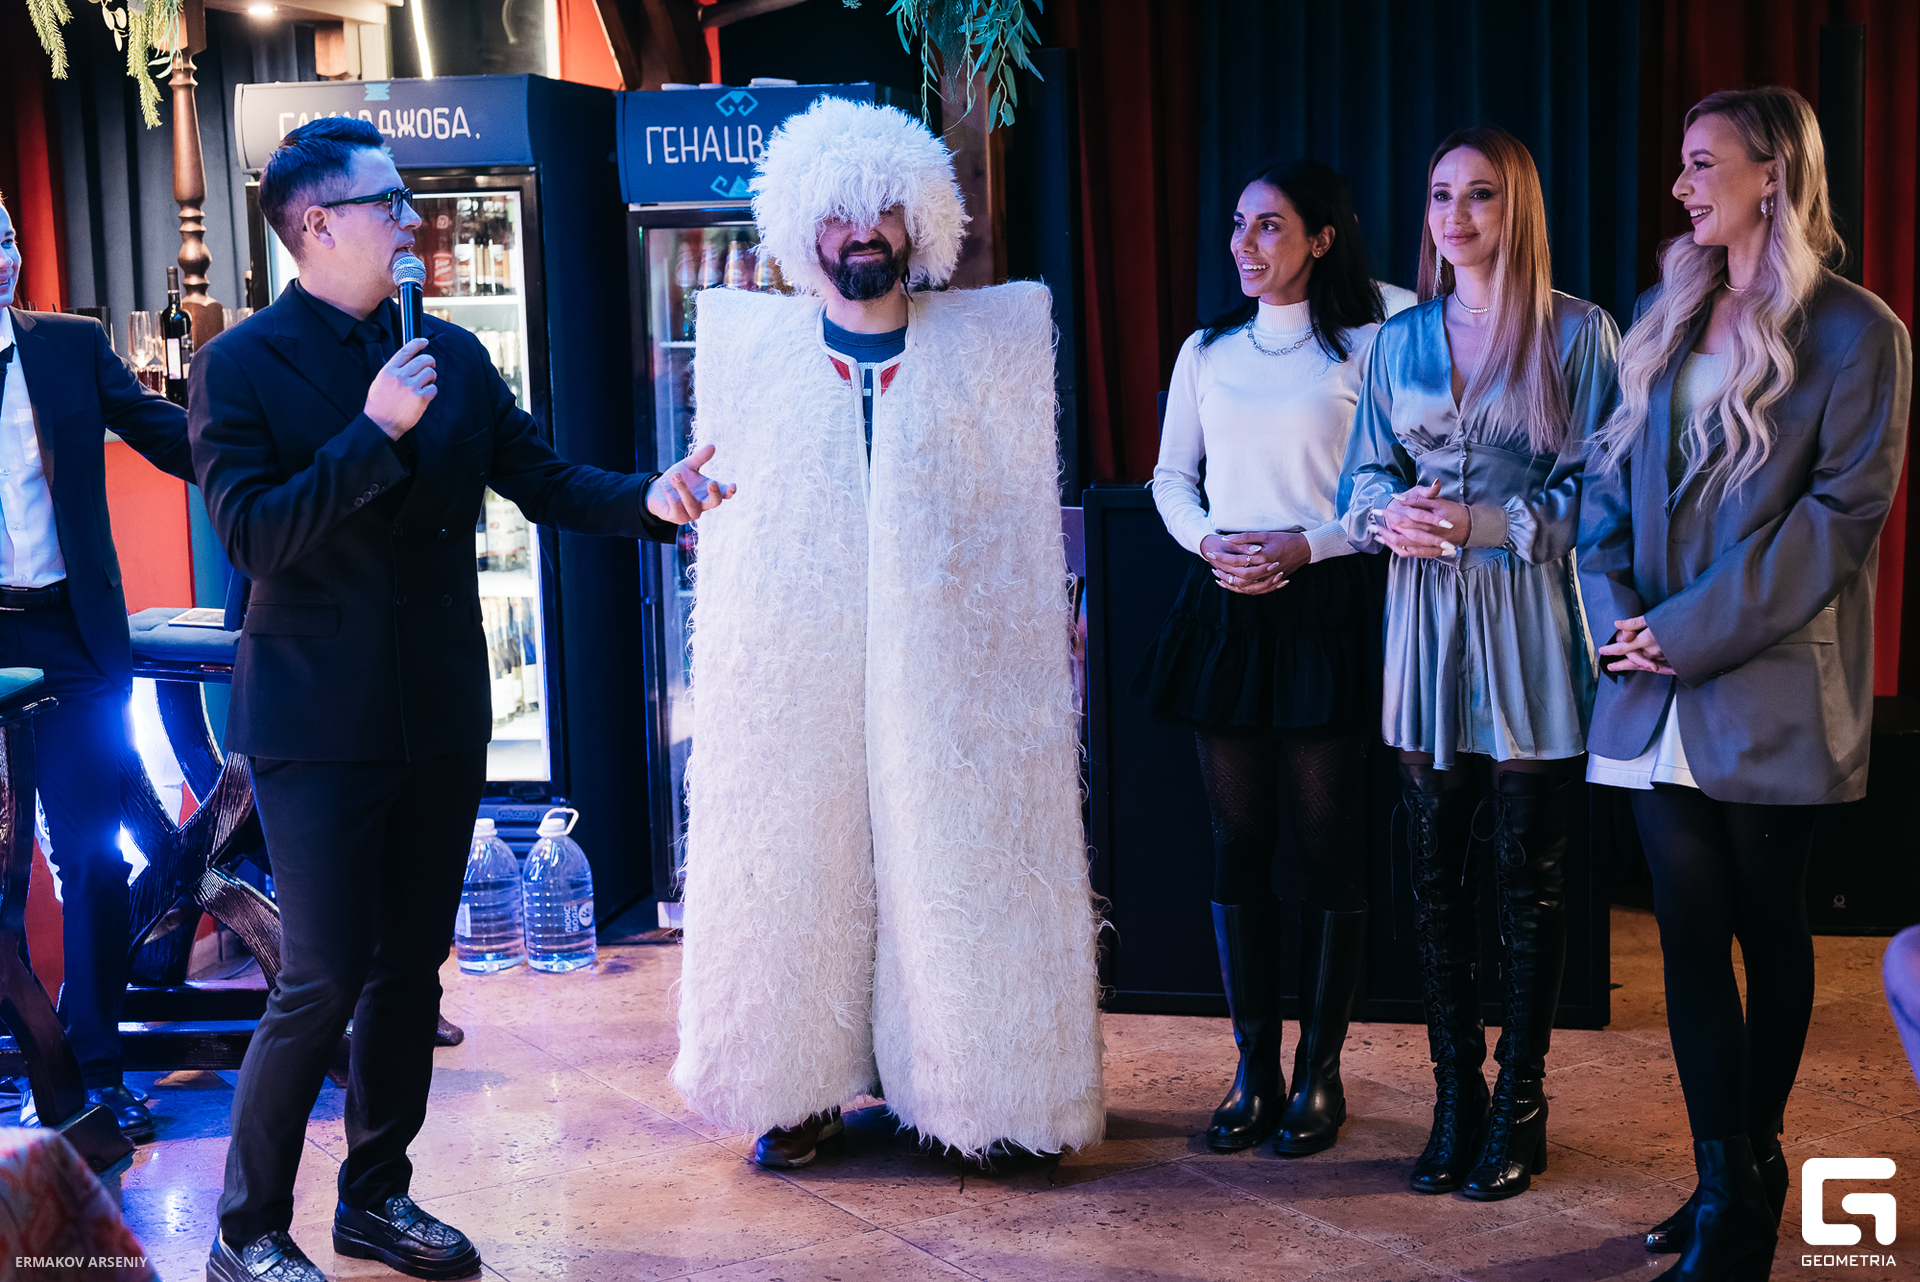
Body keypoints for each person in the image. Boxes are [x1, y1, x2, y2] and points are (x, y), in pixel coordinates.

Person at [190, 117, 692, 1282]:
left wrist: (652, 500)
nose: (412, 222)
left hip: (440, 711)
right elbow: (253, 536)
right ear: (318, 223)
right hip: (316, 721)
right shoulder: (241, 364)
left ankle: (376, 1197)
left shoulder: (451, 353)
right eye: (388, 204)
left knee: (410, 969)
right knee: (320, 972)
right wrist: (370, 432)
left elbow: (543, 477)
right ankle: (247, 1229)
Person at [664, 95, 1104, 1169]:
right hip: (794, 660)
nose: (864, 232)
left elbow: (1011, 520)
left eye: (885, 210)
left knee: (973, 853)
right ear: (799, 225)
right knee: (792, 849)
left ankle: (991, 1087)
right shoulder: (756, 357)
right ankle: (795, 1083)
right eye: (839, 212)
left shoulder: (988, 351)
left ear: (923, 220)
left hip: (960, 665)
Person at [1581, 86, 1910, 1282]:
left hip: (1767, 687)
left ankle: (1747, 1178)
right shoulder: (1662, 313)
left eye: (1701, 162)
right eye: (1680, 165)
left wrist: (1683, 632)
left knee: (1768, 924)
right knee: (1685, 928)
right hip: (1650, 688)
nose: (1681, 187)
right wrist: (1621, 626)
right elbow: (1602, 495)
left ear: (1773, 173)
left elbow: (1840, 521)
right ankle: (1730, 1183)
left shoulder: (1860, 333)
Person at [1339, 126, 1619, 1201]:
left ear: (1520, 208)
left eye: (1481, 195)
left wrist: (1481, 523)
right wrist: (1389, 516)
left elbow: (1604, 493)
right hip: (1423, 618)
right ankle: (1455, 1096)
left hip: (1529, 615)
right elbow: (1360, 479)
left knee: (1528, 879)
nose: (1455, 216)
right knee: (1433, 875)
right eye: (1440, 195)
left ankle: (1521, 1102)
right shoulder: (1398, 339)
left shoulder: (1579, 333)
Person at [1135, 158, 1413, 1157]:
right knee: (1238, 842)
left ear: (1322, 238)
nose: (1244, 245)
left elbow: (1394, 489)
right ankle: (1254, 1068)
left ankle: (1320, 1072)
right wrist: (1209, 542)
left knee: (1330, 844)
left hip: (1326, 603)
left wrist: (1312, 545)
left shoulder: (1377, 341)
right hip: (1226, 607)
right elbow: (1171, 476)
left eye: (1269, 227)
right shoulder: (1207, 349)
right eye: (1239, 225)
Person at [0, 193, 191, 1144]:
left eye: (4, 240)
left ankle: (96, 1069)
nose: (1, 261)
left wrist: (273, 467)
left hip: (70, 633)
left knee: (92, 854)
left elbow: (165, 430)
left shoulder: (68, 346)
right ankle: (26, 1057)